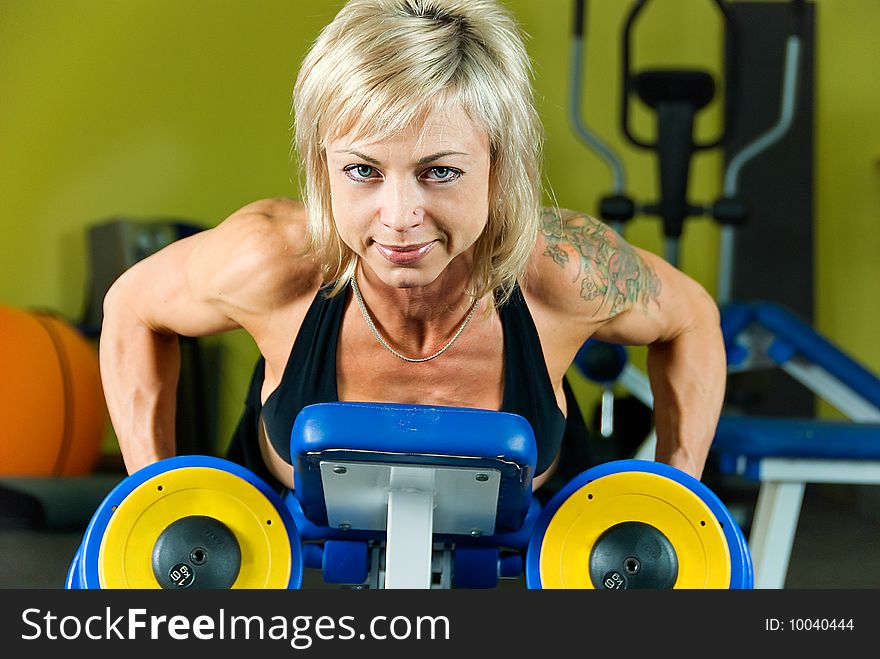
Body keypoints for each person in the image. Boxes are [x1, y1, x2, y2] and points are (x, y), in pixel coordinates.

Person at [99, 0, 726, 501]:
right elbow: (131, 305)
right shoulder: (272, 261)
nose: (399, 219)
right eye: (363, 172)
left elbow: (691, 315)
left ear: (498, 169)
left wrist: (681, 493)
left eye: (441, 172)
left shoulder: (563, 270)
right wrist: (150, 493)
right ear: (323, 170)